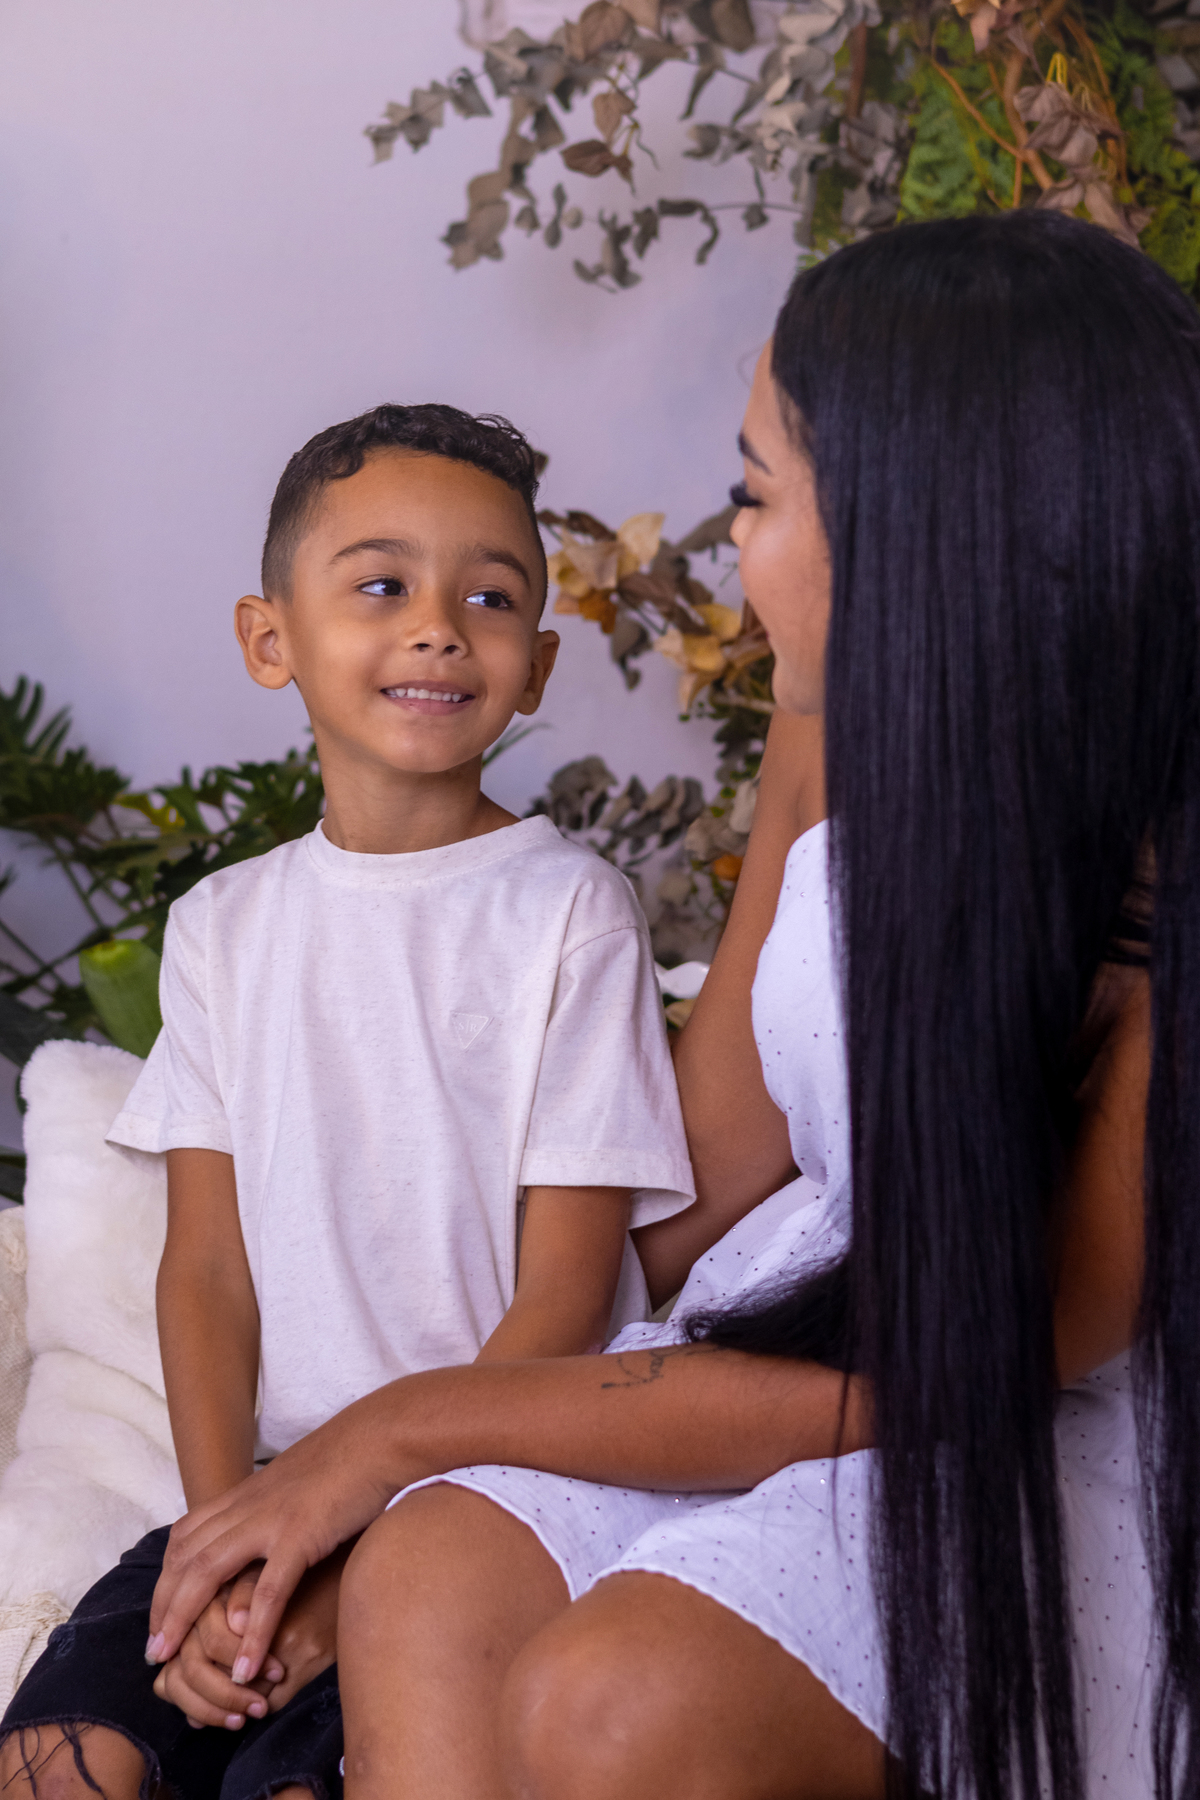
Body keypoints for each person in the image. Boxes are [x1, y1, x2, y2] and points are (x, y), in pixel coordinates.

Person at [12, 208, 1196, 1800]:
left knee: (611, 1704)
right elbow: (716, 1168)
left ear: (921, 532)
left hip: (999, 1423)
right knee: (429, 1572)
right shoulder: (826, 713)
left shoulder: (1156, 936)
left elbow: (942, 1376)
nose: (734, 549)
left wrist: (407, 1427)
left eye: (755, 494)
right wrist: (341, 1488)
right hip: (805, 1340)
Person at [0, 404, 695, 1800]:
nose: (439, 628)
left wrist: (352, 1547)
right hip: (265, 1491)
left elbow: (566, 1300)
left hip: (480, 1503)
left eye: (489, 598)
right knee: (52, 1767)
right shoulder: (222, 929)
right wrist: (225, 1541)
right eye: (383, 585)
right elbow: (205, 1269)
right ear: (270, 640)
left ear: (538, 662)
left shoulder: (571, 914)